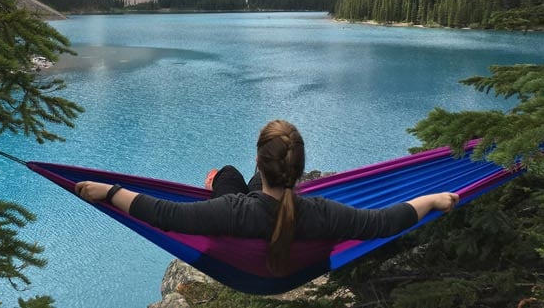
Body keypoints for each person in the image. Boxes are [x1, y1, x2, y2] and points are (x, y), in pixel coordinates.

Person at [75, 119, 459, 275]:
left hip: (238, 210)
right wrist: (433, 200)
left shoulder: (230, 211)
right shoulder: (322, 213)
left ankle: (221, 178)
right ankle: (236, 178)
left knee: (227, 175)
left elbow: (164, 214)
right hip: (274, 201)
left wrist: (110, 191)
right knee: (234, 179)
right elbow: (384, 222)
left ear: (259, 158)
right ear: (300, 169)